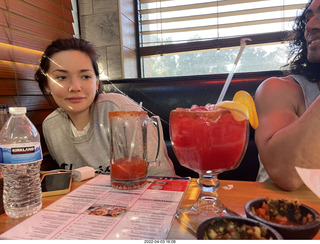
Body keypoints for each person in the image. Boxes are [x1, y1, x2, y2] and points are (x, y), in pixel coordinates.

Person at [35, 37, 175, 177]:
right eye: (61, 77)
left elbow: (162, 176)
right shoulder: (51, 126)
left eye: (85, 76)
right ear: (46, 84)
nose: (75, 87)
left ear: (96, 83)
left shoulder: (122, 111)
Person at [254, 0, 320, 191]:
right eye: (308, 18)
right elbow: (286, 173)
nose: (311, 25)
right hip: (282, 216)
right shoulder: (279, 89)